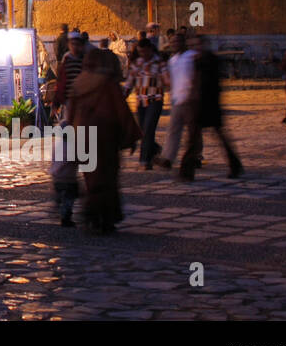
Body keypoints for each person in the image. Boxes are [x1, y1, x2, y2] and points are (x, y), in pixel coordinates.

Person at [67, 47, 141, 234]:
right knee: (107, 178)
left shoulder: (78, 83)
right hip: (105, 137)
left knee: (91, 178)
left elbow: (71, 114)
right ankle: (104, 218)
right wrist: (130, 137)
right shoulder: (107, 83)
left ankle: (93, 217)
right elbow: (120, 110)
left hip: (83, 137)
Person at [180, 34, 243, 180]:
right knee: (193, 140)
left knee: (216, 138)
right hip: (199, 105)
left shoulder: (210, 60)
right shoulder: (197, 61)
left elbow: (209, 84)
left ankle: (235, 166)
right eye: (192, 46)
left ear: (203, 45)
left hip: (209, 104)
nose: (194, 49)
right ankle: (187, 172)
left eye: (196, 45)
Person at [124, 38, 169, 169]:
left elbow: (167, 79)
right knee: (142, 131)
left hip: (155, 100)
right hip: (141, 101)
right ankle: (154, 149)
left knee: (149, 129)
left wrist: (168, 83)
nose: (143, 55)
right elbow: (129, 82)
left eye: (145, 52)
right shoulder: (137, 63)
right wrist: (123, 96)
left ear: (150, 49)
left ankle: (144, 161)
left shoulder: (159, 63)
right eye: (140, 52)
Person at [158, 34, 197, 170]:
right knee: (173, 130)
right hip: (177, 99)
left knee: (193, 131)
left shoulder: (191, 56)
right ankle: (168, 158)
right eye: (172, 42)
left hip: (190, 98)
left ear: (183, 42)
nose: (174, 44)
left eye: (177, 41)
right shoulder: (172, 60)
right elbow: (170, 80)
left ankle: (196, 156)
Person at [50, 30, 87, 112]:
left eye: (77, 44)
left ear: (81, 45)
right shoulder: (66, 60)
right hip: (68, 102)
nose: (74, 47)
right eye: (72, 44)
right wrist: (56, 104)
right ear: (68, 45)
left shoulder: (85, 61)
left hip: (82, 102)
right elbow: (61, 82)